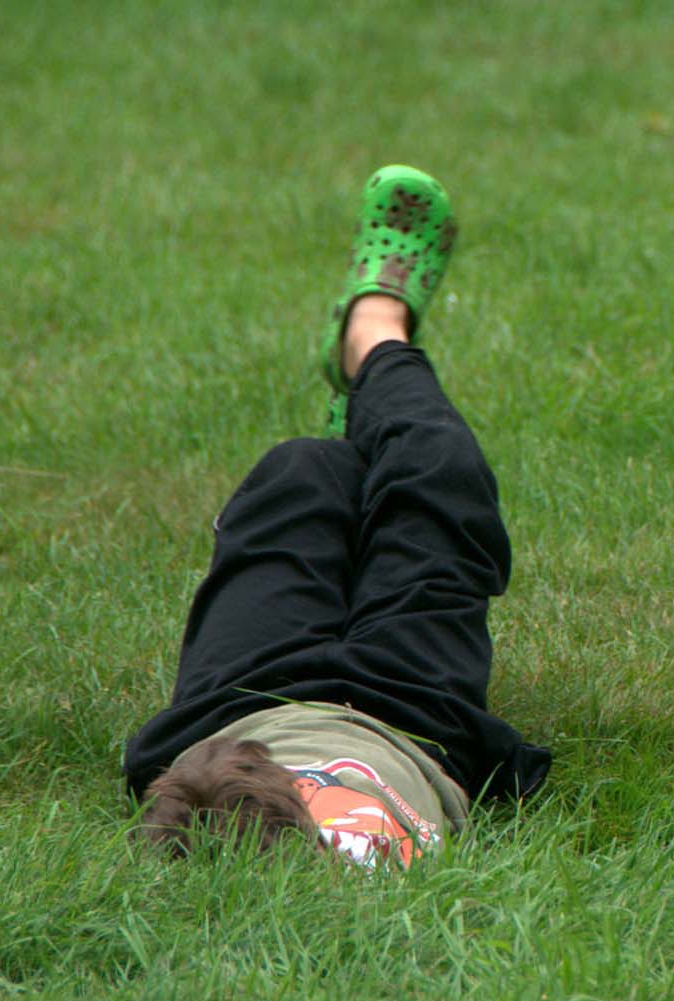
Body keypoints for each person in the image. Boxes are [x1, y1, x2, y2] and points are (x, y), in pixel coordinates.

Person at [125, 165, 550, 867]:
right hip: (412, 722)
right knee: (438, 467)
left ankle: (356, 435)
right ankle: (374, 334)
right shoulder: (365, 889)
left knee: (298, 473)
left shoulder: (208, 870)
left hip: (243, 708)